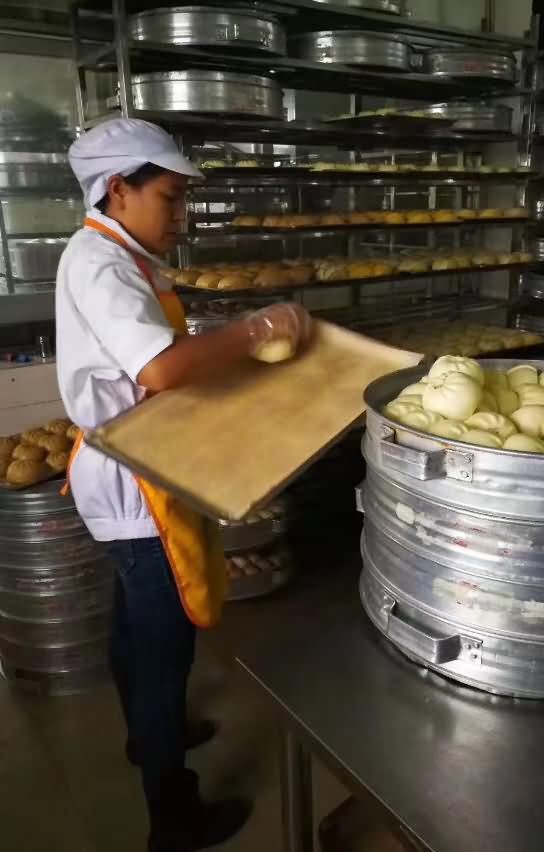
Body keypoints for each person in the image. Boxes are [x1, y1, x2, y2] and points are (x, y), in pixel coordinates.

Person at [55, 117, 311, 852]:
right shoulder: (101, 264)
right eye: (169, 198)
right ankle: (173, 814)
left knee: (131, 626)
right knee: (163, 650)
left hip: (132, 461)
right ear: (117, 189)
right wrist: (258, 329)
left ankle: (147, 737)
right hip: (136, 483)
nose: (182, 215)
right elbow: (159, 368)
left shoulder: (117, 255)